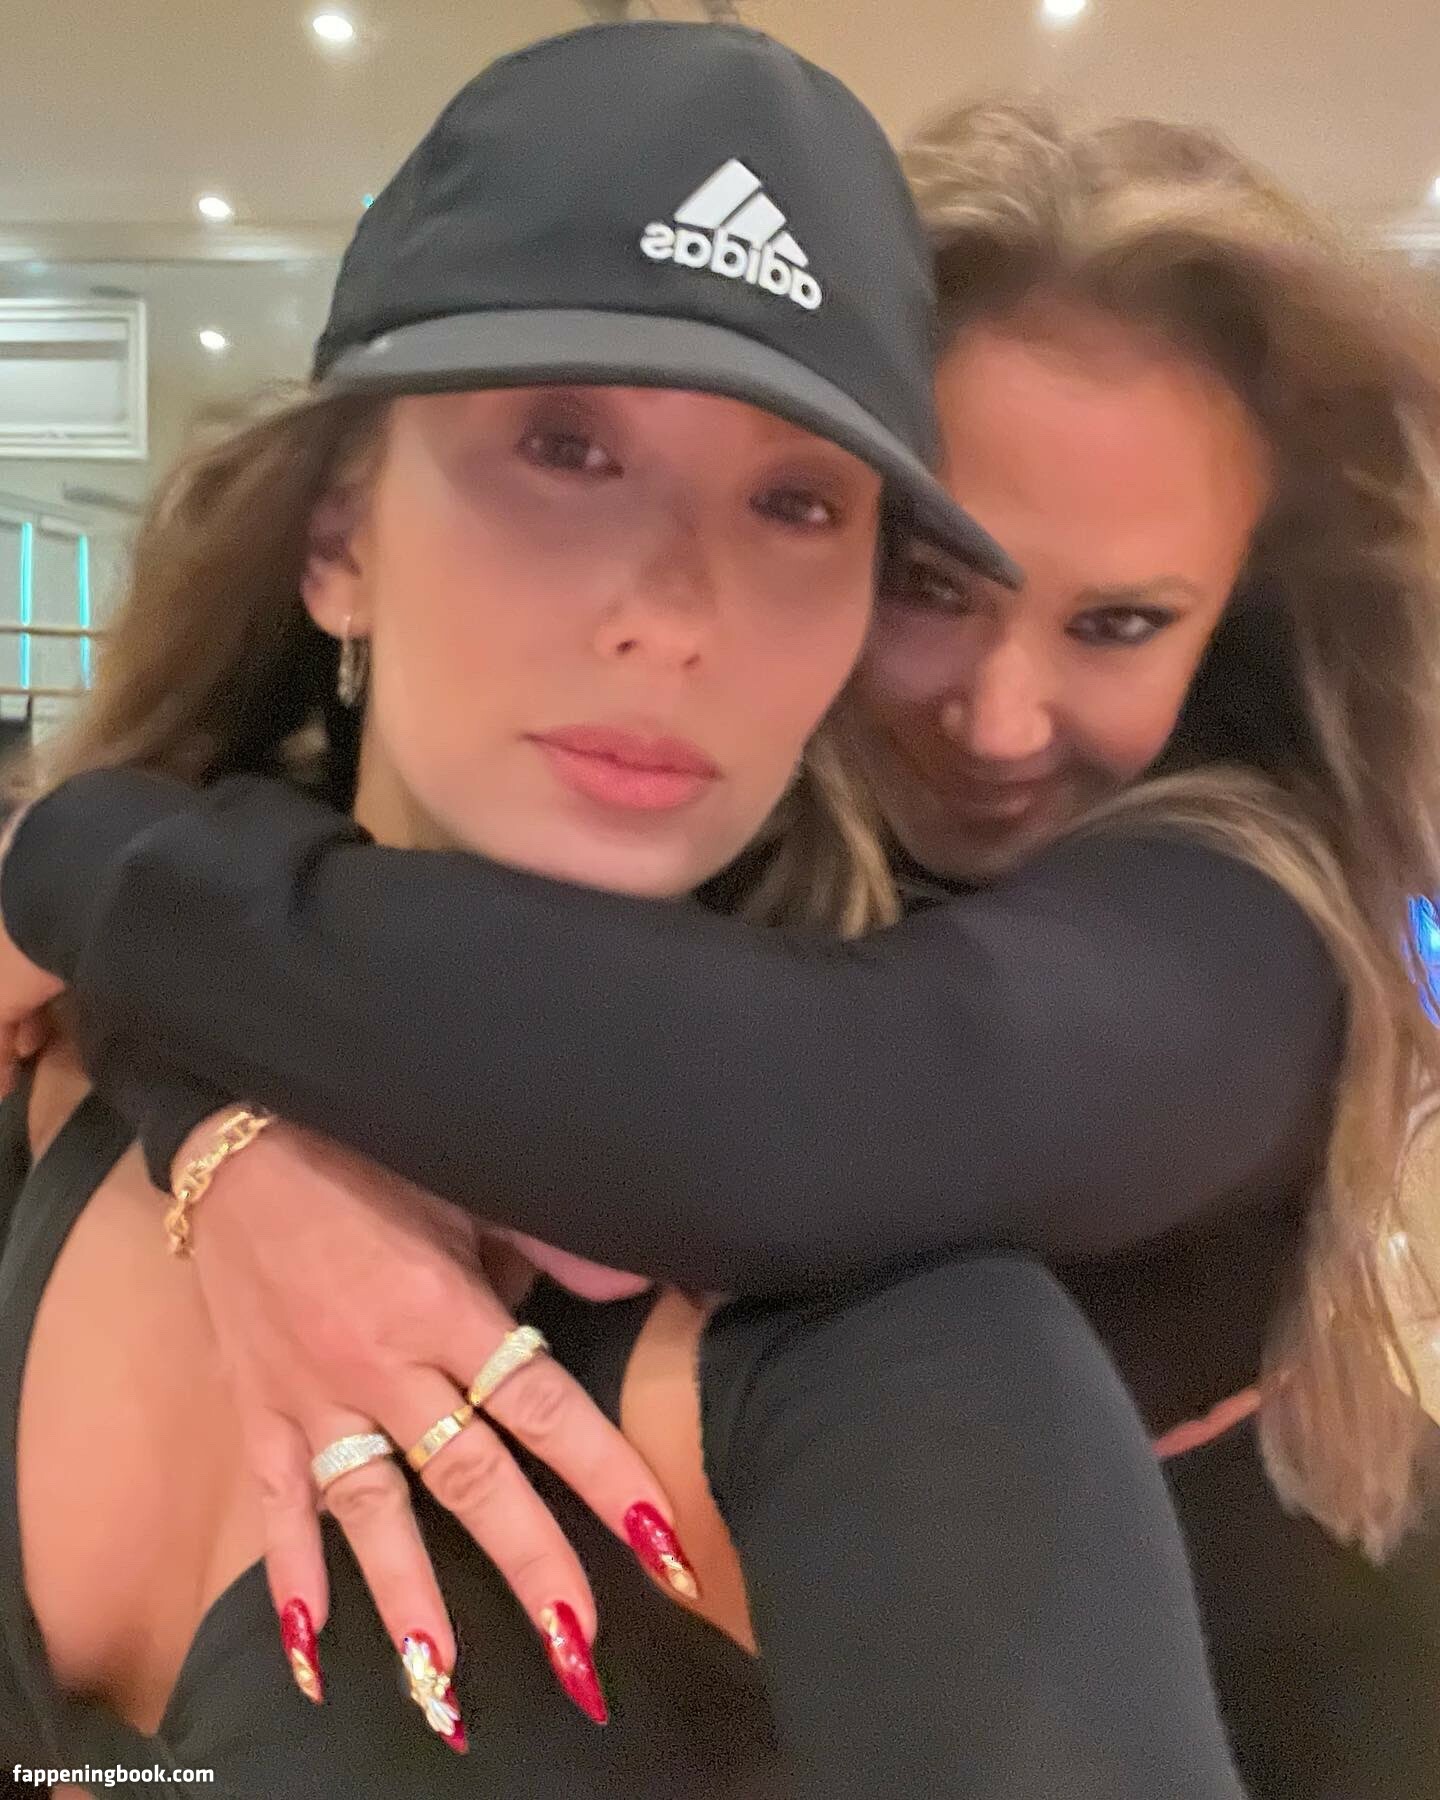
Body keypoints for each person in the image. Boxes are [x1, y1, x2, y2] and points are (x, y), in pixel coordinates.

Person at [10, 92, 1440, 1800]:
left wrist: (77, 859)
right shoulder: (584, 956)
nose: (1000, 721)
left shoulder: (1235, 920)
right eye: (931, 582)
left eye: (1122, 623)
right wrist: (229, 1124)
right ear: (339, 541)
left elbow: (805, 1106)